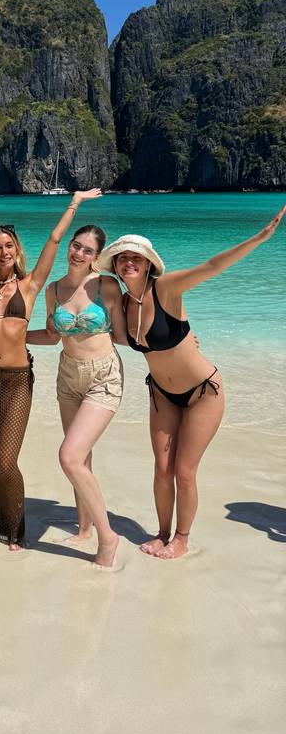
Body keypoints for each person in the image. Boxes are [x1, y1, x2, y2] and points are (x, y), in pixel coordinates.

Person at [98, 203, 285, 560]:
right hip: (162, 394)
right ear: (117, 268)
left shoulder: (166, 288)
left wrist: (260, 238)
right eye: (122, 259)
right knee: (162, 469)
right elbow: (115, 335)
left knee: (184, 470)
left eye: (135, 257)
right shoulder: (123, 303)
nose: (129, 262)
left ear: (149, 263)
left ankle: (182, 538)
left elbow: (211, 267)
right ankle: (163, 532)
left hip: (203, 392)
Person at [0, 190, 102, 550]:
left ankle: (17, 529)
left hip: (15, 381)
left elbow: (55, 240)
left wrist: (74, 203)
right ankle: (0, 517)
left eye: (9, 246)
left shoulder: (29, 285)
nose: (4, 252)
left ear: (17, 250)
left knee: (6, 458)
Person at [27, 222, 127, 568]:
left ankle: (107, 537)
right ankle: (83, 528)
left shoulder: (106, 287)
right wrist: (10, 335)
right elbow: (52, 337)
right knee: (81, 459)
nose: (78, 252)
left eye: (87, 249)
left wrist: (177, 342)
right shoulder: (53, 290)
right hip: (68, 377)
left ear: (96, 257)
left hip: (104, 375)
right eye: (75, 245)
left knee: (69, 455)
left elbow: (128, 335)